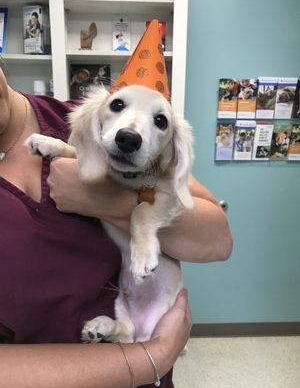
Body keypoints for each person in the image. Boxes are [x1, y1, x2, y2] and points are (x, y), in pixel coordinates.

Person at [0, 61, 232, 387]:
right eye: (119, 105)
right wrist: (154, 355)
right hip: (140, 356)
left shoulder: (84, 117)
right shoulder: (91, 122)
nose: (130, 130)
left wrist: (110, 203)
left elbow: (219, 239)